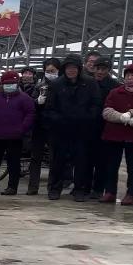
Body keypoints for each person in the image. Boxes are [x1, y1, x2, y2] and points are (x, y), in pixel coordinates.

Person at [43, 55, 101, 201]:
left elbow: (96, 105)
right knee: (58, 161)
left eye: (74, 68)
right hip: (61, 130)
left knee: (82, 161)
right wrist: (59, 119)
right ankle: (55, 188)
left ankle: (79, 189)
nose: (71, 71)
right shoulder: (56, 84)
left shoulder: (90, 83)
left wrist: (86, 118)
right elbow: (49, 108)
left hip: (82, 130)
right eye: (68, 68)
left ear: (79, 69)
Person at [0, 71, 36, 195]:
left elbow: (31, 114)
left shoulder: (25, 98)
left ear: (17, 83)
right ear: (2, 84)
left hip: (15, 137)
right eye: (6, 83)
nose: (9, 85)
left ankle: (12, 187)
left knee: (13, 162)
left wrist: (22, 129)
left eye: (12, 83)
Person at [99, 64, 133, 206]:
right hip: (114, 135)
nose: (130, 77)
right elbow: (106, 111)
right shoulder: (115, 92)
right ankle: (110, 192)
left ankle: (131, 194)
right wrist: (123, 117)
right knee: (111, 165)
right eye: (127, 75)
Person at [26, 58, 61, 195]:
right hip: (39, 125)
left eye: (53, 71)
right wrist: (37, 101)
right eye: (47, 71)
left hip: (55, 127)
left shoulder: (62, 86)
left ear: (58, 71)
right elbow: (31, 104)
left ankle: (52, 188)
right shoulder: (39, 86)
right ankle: (32, 186)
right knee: (36, 157)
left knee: (54, 158)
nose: (50, 73)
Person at [91, 59, 121, 196]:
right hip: (87, 127)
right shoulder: (87, 83)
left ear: (108, 70)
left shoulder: (115, 87)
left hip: (106, 129)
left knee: (102, 161)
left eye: (103, 69)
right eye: (98, 68)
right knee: (85, 159)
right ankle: (83, 187)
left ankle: (98, 189)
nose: (100, 72)